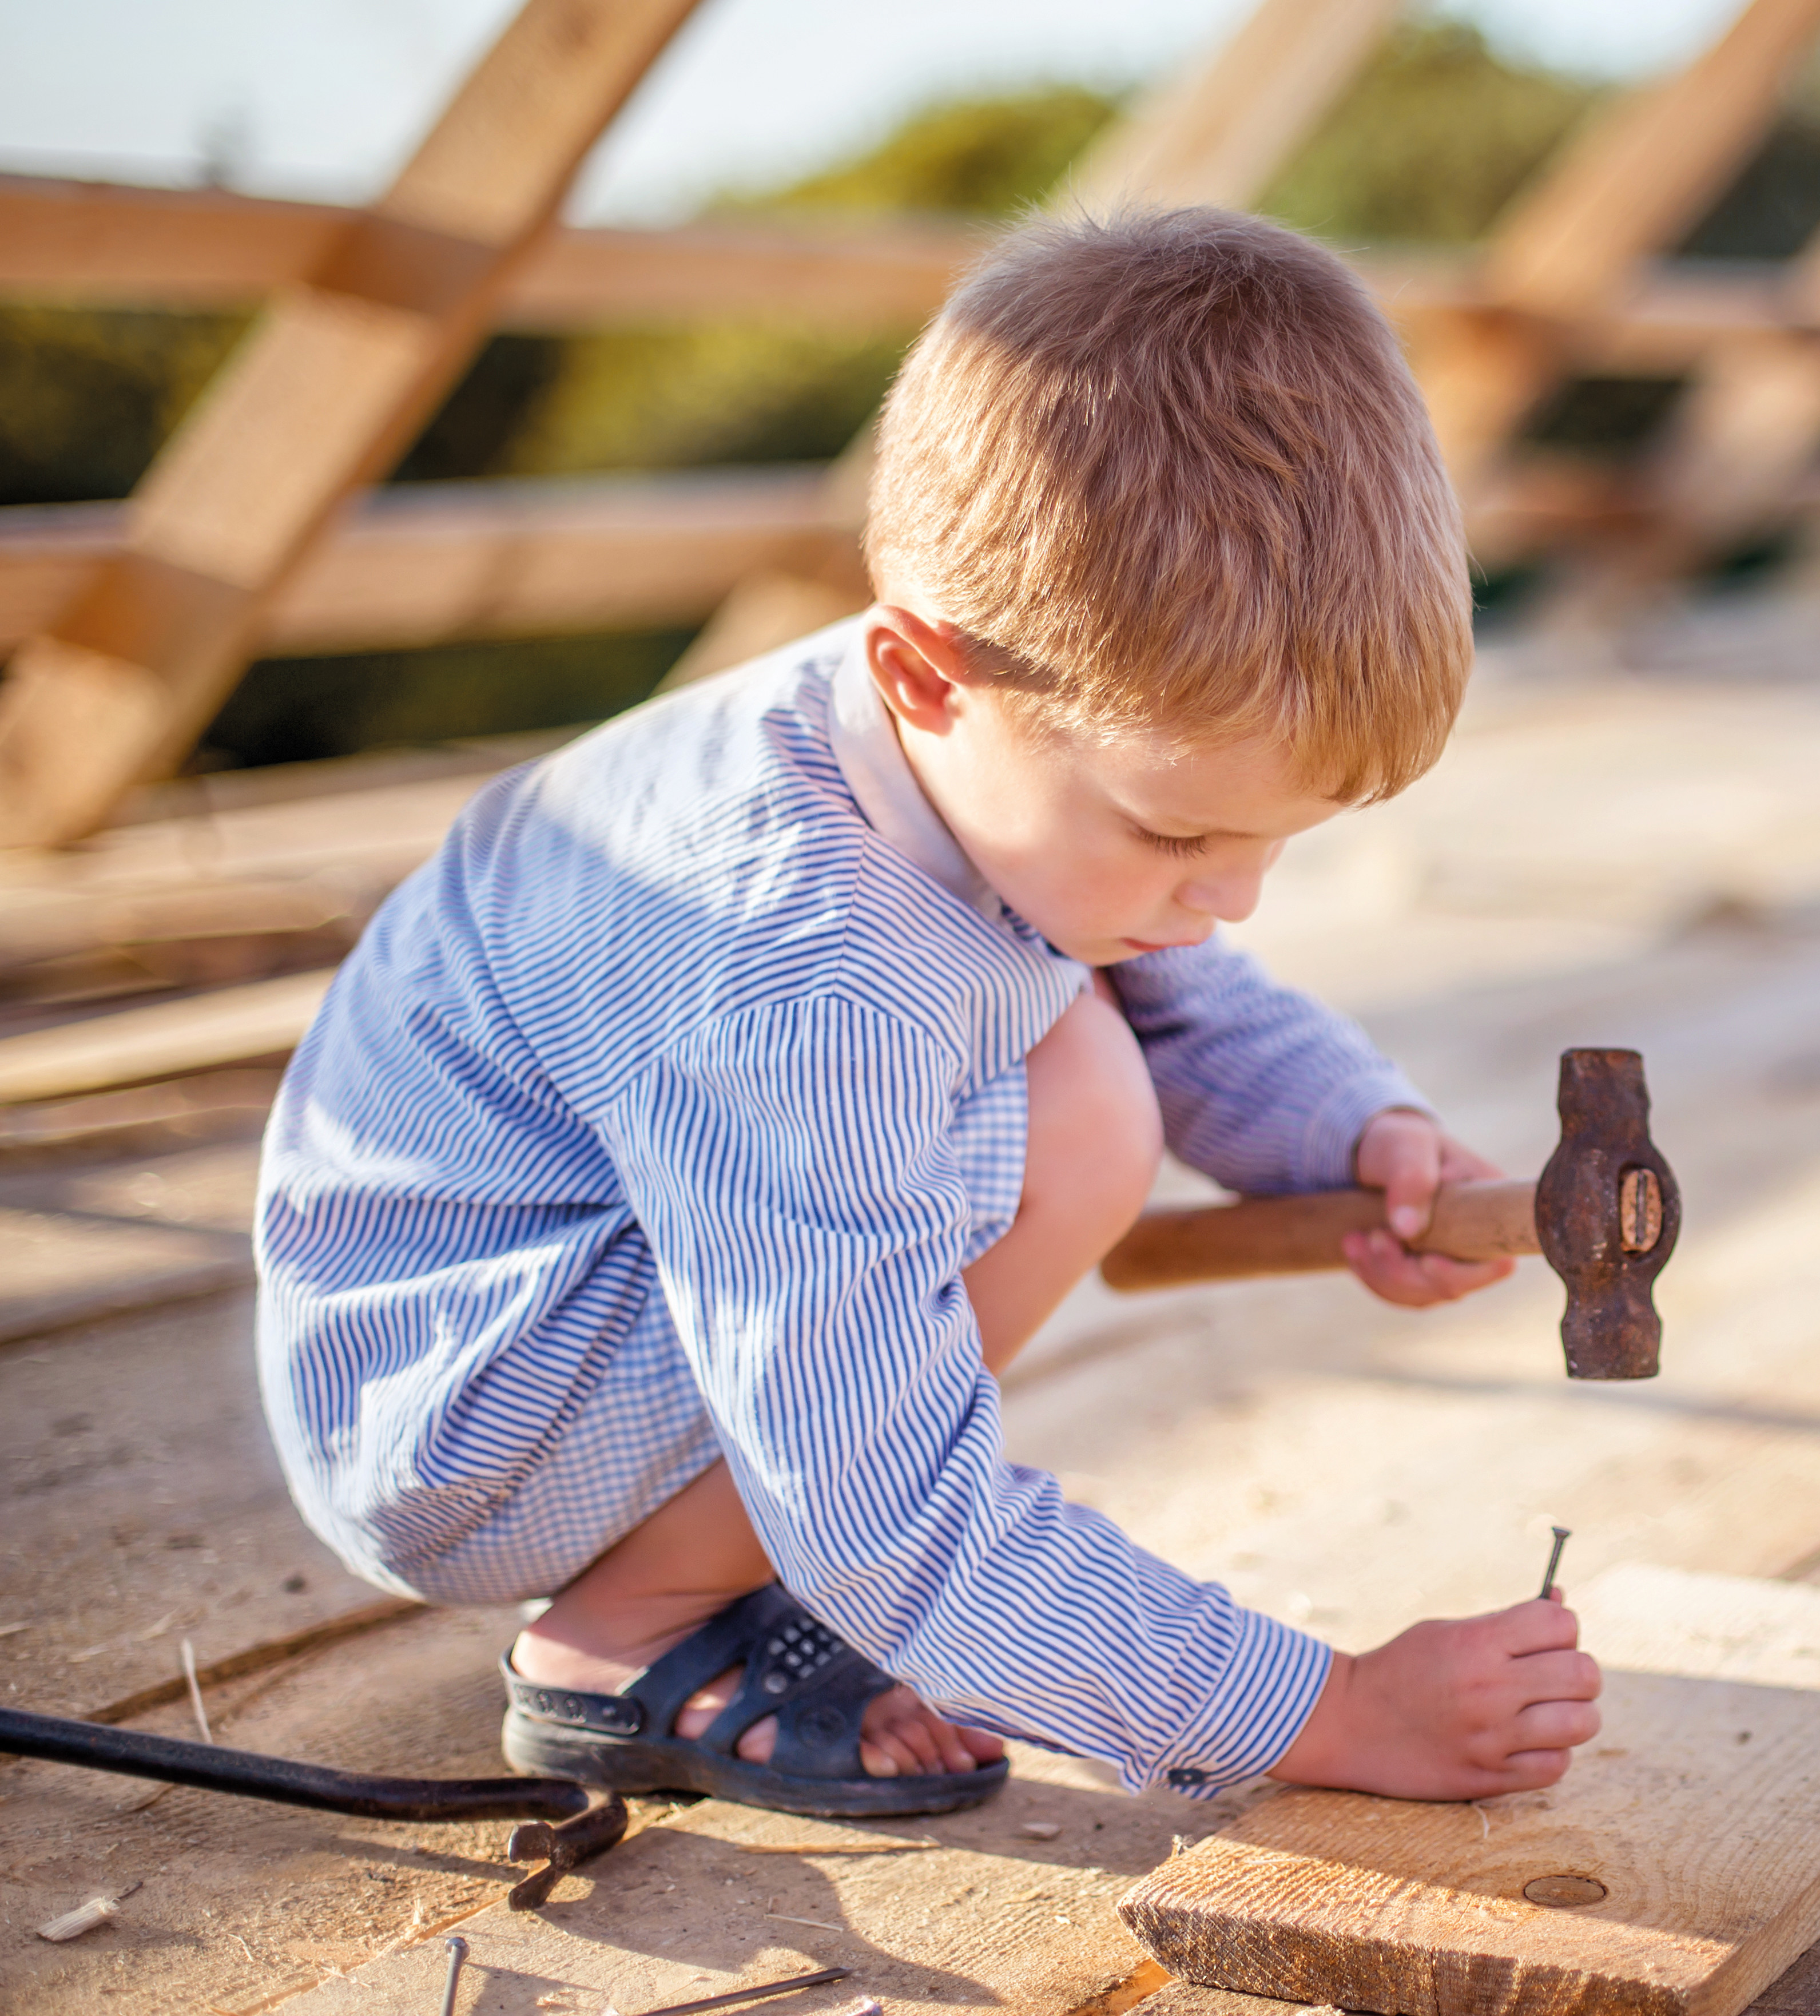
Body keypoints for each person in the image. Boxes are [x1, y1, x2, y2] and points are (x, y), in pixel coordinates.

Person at [255, 206, 1603, 1819]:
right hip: (460, 1412)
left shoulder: (995, 714)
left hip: (573, 1300)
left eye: (1278, 838)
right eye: (1182, 833)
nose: (1233, 891)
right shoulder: (801, 969)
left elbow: (1178, 980)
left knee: (1091, 1039)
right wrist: (1321, 1709)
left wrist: (1356, 1132)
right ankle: (628, 1630)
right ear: (926, 676)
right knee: (1081, 1103)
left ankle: (695, 1570)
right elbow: (882, 1488)